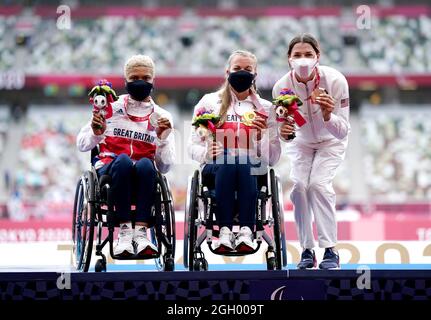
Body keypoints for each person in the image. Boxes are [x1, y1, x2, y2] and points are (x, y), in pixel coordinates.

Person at [77, 55, 175, 257]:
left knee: (147, 165)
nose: (140, 82)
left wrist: (163, 138)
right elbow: (82, 144)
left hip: (144, 173)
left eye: (146, 78)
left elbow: (165, 167)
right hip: (111, 167)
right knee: (122, 161)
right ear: (126, 81)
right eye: (134, 77)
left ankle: (141, 233)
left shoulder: (162, 116)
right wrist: (97, 133)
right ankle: (124, 232)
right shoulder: (109, 108)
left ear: (153, 81)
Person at [188, 50, 281, 253]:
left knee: (242, 159)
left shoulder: (266, 109)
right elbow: (191, 146)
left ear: (255, 74)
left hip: (253, 169)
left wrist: (259, 138)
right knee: (231, 159)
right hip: (215, 168)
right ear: (227, 71)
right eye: (237, 68)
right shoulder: (208, 103)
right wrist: (206, 152)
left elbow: (273, 158)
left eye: (248, 69)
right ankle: (225, 231)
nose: (242, 73)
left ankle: (246, 230)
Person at [272, 34, 350, 269]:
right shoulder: (281, 87)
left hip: (330, 141)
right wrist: (284, 132)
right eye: (297, 55)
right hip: (302, 144)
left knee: (317, 184)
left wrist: (328, 116)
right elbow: (285, 133)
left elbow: (343, 131)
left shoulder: (336, 81)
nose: (303, 60)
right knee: (299, 188)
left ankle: (330, 251)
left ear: (318, 57)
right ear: (289, 59)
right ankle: (307, 250)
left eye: (308, 54)